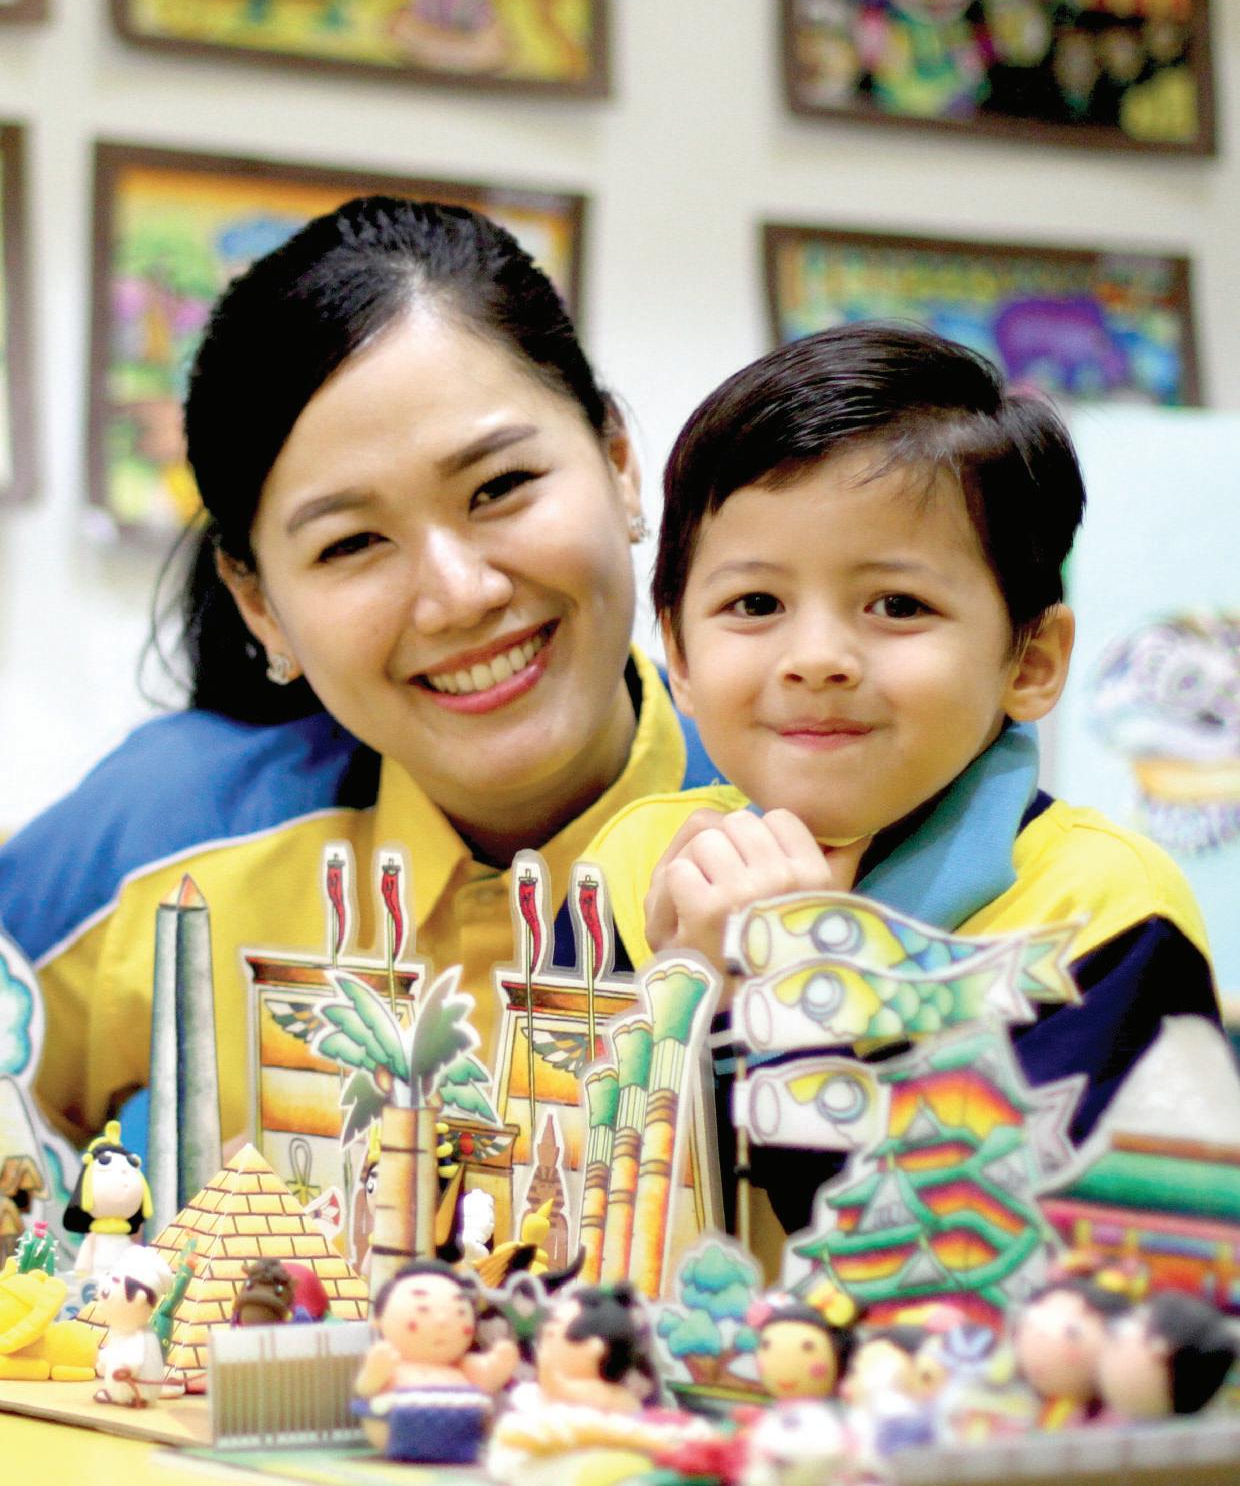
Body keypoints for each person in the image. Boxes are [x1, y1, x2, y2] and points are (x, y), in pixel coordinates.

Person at [0, 199, 720, 1148]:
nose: (459, 596)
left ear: (620, 463)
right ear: (261, 604)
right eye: (351, 543)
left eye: (500, 487)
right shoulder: (156, 844)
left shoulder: (824, 803)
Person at [584, 326, 1226, 1232]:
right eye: (756, 604)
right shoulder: (634, 868)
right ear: (680, 655)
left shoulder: (1101, 911)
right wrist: (683, 1004)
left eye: (897, 605)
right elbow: (558, 1200)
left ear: (1032, 659)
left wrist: (794, 1005)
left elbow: (1027, 1274)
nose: (816, 657)